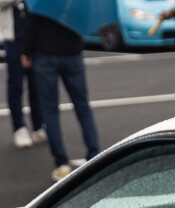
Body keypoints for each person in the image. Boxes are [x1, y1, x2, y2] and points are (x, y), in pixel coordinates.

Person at [21, 12, 100, 181]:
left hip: (45, 53)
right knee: (83, 107)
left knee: (50, 110)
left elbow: (32, 21)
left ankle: (61, 163)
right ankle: (94, 155)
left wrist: (26, 51)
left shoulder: (40, 3)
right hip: (72, 51)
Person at [0, 0, 45, 148]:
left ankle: (38, 126)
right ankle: (19, 128)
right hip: (14, 38)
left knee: (35, 84)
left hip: (34, 35)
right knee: (16, 84)